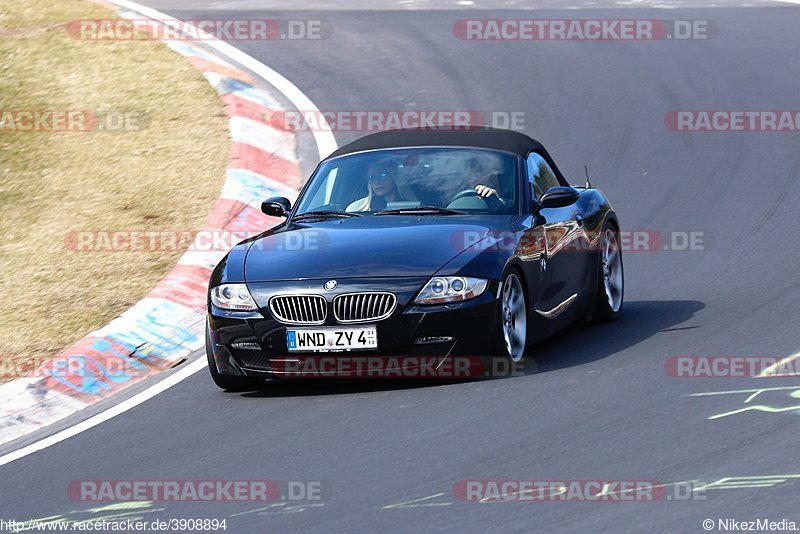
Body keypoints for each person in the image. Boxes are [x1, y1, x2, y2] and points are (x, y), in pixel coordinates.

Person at [346, 157, 418, 212]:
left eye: (383, 176)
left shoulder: (414, 204)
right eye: (371, 177)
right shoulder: (356, 210)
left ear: (393, 176)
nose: (377, 182)